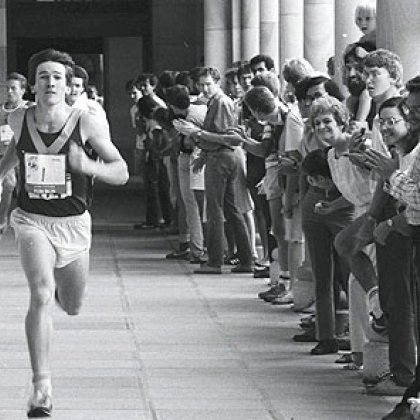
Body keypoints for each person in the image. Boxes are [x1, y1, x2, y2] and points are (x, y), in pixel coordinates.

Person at [0, 48, 129, 417]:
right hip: (31, 219)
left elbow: (119, 171)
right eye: (43, 76)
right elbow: (15, 151)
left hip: (73, 224)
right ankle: (41, 387)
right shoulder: (19, 117)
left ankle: (63, 287)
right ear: (33, 84)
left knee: (71, 305)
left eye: (57, 76)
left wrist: (87, 164)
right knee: (40, 294)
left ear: (68, 84)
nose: (51, 82)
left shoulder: (85, 121)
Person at [173, 66, 253, 274]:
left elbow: (227, 138)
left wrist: (196, 132)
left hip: (222, 157)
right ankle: (244, 258)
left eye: (208, 84)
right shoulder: (218, 102)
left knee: (216, 210)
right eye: (201, 84)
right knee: (230, 209)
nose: (204, 88)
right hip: (221, 156)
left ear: (217, 82)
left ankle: (215, 260)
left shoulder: (221, 102)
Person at [0, 72, 32, 235]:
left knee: (25, 186)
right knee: (9, 183)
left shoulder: (30, 109)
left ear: (22, 90)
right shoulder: (0, 110)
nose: (10, 92)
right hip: (4, 154)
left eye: (14, 88)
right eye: (7, 88)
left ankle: (25, 216)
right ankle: (2, 219)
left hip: (26, 155)